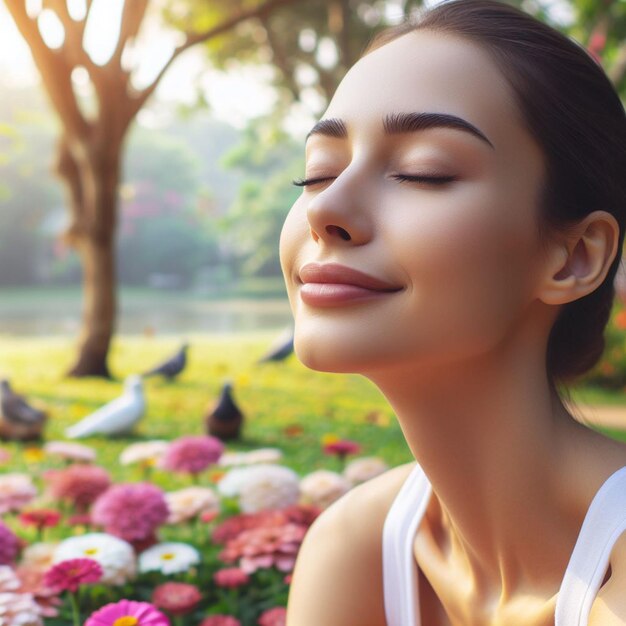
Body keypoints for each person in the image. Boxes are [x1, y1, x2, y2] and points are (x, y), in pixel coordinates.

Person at [278, 0, 626, 624]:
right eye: (317, 172)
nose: (324, 210)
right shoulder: (353, 549)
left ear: (573, 256)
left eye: (422, 172)